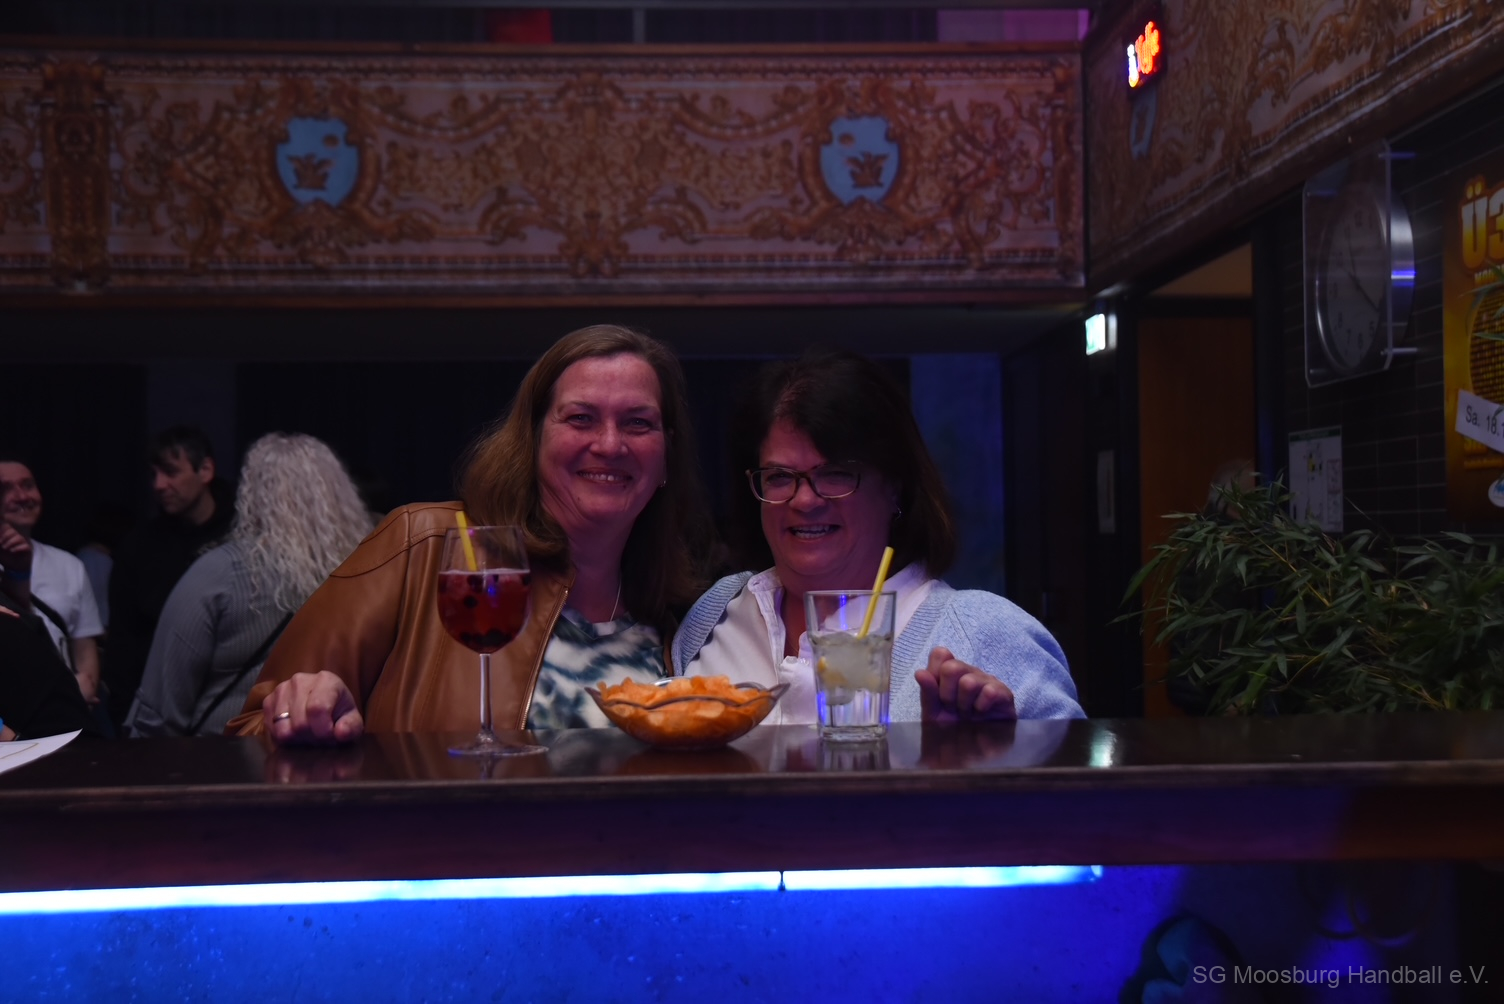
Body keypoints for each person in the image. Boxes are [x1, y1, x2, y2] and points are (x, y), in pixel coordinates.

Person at [231, 324, 712, 742]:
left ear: (666, 454)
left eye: (638, 423)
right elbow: (251, 728)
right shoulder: (423, 546)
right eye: (580, 418)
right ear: (534, 438)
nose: (609, 444)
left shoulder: (679, 624)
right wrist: (305, 720)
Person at [674, 348, 1083, 723]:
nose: (805, 500)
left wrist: (997, 754)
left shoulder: (984, 634)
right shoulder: (717, 610)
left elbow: (1077, 774)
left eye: (835, 474)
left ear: (895, 487)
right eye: (779, 476)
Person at [125, 434, 375, 737]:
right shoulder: (364, 574)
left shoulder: (220, 573)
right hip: (332, 749)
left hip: (226, 756)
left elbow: (160, 708)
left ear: (253, 495)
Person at [104, 425, 234, 728]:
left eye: (171, 472)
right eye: (154, 474)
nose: (159, 485)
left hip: (232, 711)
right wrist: (126, 719)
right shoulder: (139, 547)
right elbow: (123, 645)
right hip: (160, 715)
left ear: (205, 470)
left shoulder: (242, 537)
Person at [0, 454, 105, 709]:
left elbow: (84, 645)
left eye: (28, 485)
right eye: (5, 489)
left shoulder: (69, 565)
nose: (21, 496)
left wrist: (85, 686)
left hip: (63, 710)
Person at [0, 522, 98, 741]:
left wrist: (17, 575)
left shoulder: (68, 565)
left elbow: (22, 624)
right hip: (34, 741)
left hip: (59, 732)